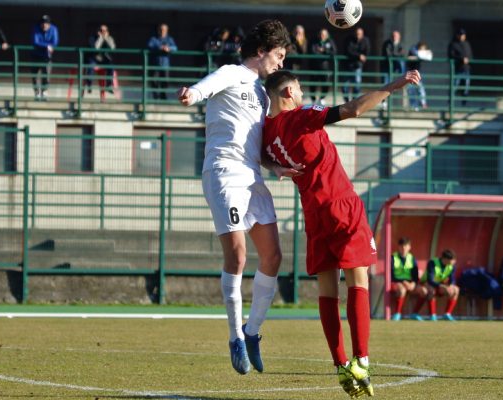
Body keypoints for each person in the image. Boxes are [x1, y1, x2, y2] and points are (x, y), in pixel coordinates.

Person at [262, 68, 420, 397]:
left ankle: (340, 365)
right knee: (358, 281)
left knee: (327, 291)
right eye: (301, 89)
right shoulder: (301, 116)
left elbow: (261, 156)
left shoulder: (267, 132)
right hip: (340, 205)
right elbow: (352, 109)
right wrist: (393, 85)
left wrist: (275, 167)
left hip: (314, 213)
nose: (303, 95)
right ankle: (361, 359)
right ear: (289, 92)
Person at [177, 19, 296, 376]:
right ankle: (235, 338)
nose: (280, 62)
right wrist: (193, 93)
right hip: (223, 172)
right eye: (278, 54)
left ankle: (253, 331)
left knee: (273, 255)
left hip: (252, 175)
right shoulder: (232, 72)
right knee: (239, 255)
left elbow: (253, 143)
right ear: (261, 52)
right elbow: (207, 86)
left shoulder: (262, 93)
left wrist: (275, 167)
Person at [390, 237, 427, 321]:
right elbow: (391, 275)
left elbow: (415, 275)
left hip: (409, 283)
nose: (404, 248)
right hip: (396, 282)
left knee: (424, 291)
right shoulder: (393, 257)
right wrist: (403, 282)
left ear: (409, 247)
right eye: (402, 246)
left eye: (406, 246)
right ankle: (397, 314)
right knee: (402, 290)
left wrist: (413, 283)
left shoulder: (412, 258)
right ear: (398, 247)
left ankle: (415, 313)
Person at [418, 249, 459, 321]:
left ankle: (447, 314)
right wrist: (442, 286)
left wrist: (451, 285)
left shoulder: (452, 265)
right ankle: (433, 315)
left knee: (456, 290)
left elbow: (452, 278)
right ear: (445, 259)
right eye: (452, 260)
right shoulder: (432, 263)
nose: (453, 262)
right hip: (426, 283)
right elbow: (430, 280)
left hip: (439, 284)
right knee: (431, 290)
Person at [31, 15, 58, 101]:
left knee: (46, 74)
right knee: (35, 75)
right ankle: (37, 93)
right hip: (36, 54)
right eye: (43, 23)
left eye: (46, 23)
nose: (44, 25)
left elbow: (55, 42)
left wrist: (49, 47)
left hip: (47, 56)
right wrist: (47, 45)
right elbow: (35, 42)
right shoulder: (36, 28)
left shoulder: (53, 29)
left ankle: (44, 91)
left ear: (49, 24)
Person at [148, 23, 177, 100]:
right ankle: (156, 97)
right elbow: (150, 45)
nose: (162, 31)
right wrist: (159, 47)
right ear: (158, 30)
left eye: (164, 30)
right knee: (154, 81)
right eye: (161, 30)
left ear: (167, 31)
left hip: (165, 65)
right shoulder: (154, 38)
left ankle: (163, 96)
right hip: (155, 64)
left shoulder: (169, 39)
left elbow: (175, 48)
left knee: (165, 81)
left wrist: (168, 48)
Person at [341, 27, 370, 102]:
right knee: (344, 86)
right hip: (347, 66)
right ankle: (346, 101)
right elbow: (348, 51)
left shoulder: (365, 41)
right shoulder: (349, 40)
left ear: (362, 34)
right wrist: (359, 56)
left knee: (357, 85)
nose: (358, 35)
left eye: (359, 34)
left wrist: (362, 57)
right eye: (357, 33)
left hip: (357, 66)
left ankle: (354, 101)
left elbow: (367, 52)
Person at [309, 28, 336, 105]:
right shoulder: (314, 41)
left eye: (324, 34)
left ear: (327, 35)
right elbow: (312, 51)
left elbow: (334, 51)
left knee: (326, 83)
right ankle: (313, 99)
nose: (322, 36)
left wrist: (324, 50)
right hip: (314, 66)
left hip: (325, 67)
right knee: (313, 84)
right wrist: (320, 52)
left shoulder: (330, 41)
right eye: (321, 34)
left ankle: (322, 98)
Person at [85, 24, 115, 93]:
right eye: (102, 30)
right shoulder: (92, 38)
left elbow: (113, 47)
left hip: (104, 59)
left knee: (111, 65)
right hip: (94, 58)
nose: (103, 32)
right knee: (91, 65)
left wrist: (106, 39)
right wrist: (101, 38)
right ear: (98, 31)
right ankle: (89, 84)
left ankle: (109, 85)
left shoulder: (109, 38)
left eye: (105, 30)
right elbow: (96, 48)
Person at [447, 28, 472, 106]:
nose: (462, 36)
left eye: (463, 35)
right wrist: (461, 59)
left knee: (466, 87)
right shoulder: (453, 44)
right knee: (455, 86)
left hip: (466, 68)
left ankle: (464, 102)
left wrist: (469, 60)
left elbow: (470, 54)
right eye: (460, 35)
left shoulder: (467, 43)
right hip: (458, 69)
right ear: (457, 35)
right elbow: (451, 55)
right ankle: (451, 102)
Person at [406, 41, 431, 111]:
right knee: (411, 90)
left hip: (417, 72)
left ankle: (423, 103)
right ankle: (414, 107)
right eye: (422, 49)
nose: (423, 51)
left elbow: (429, 56)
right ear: (420, 47)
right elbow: (417, 54)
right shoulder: (413, 49)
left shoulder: (419, 51)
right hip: (410, 72)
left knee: (421, 88)